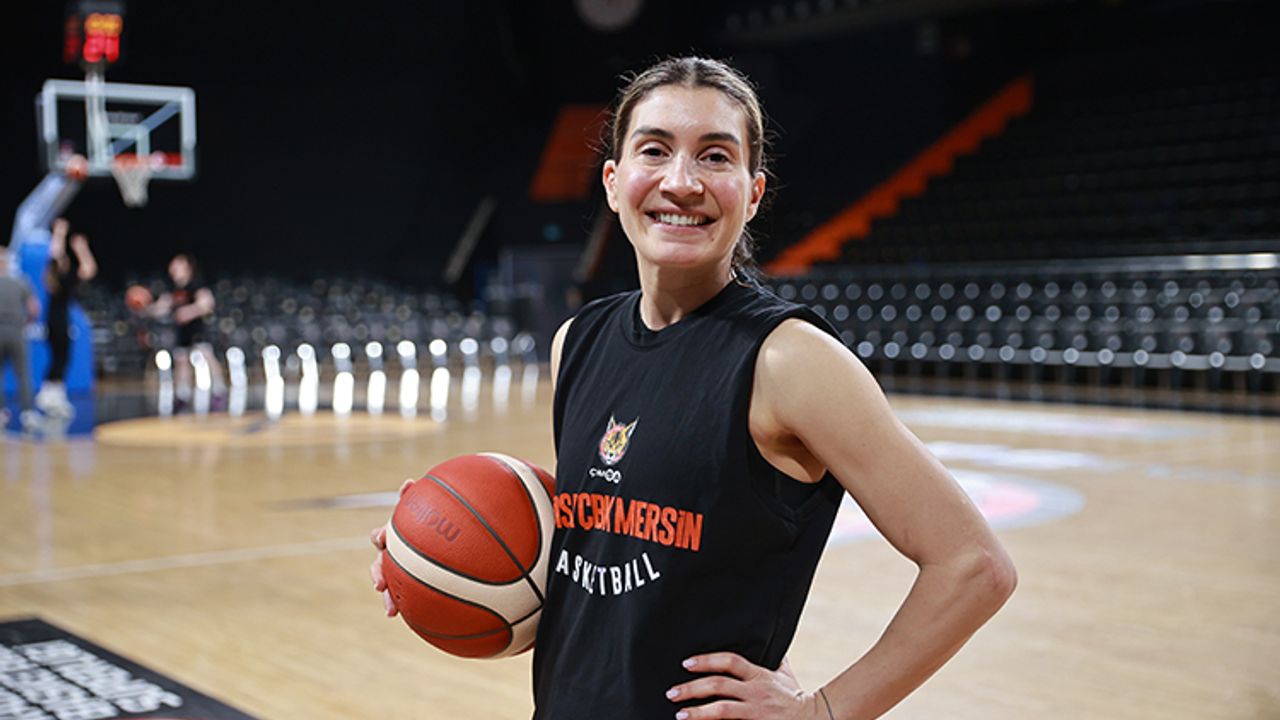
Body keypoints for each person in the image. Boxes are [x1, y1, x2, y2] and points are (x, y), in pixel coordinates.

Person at [370, 56, 1016, 719]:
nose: (681, 183)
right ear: (614, 182)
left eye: (715, 157)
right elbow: (608, 566)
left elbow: (973, 565)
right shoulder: (579, 341)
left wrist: (819, 711)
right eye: (654, 150)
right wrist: (436, 560)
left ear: (753, 193)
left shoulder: (789, 360)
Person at [144, 253, 223, 408]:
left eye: (177, 265)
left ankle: (218, 391)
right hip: (182, 331)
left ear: (187, 267)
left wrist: (189, 312)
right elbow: (161, 307)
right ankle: (183, 395)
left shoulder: (196, 285)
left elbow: (207, 304)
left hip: (197, 330)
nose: (173, 269)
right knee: (181, 361)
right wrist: (146, 308)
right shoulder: (173, 289)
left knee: (207, 356)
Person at [37, 218, 97, 417]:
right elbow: (56, 254)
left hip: (57, 322)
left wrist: (80, 248)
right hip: (58, 323)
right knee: (61, 358)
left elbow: (89, 270)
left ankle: (53, 394)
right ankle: (50, 395)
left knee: (60, 358)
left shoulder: (63, 280)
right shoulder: (57, 279)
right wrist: (62, 234)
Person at [0, 252, 40, 430]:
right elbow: (34, 308)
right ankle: (28, 414)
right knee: (23, 373)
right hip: (16, 331)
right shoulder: (21, 282)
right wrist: (26, 322)